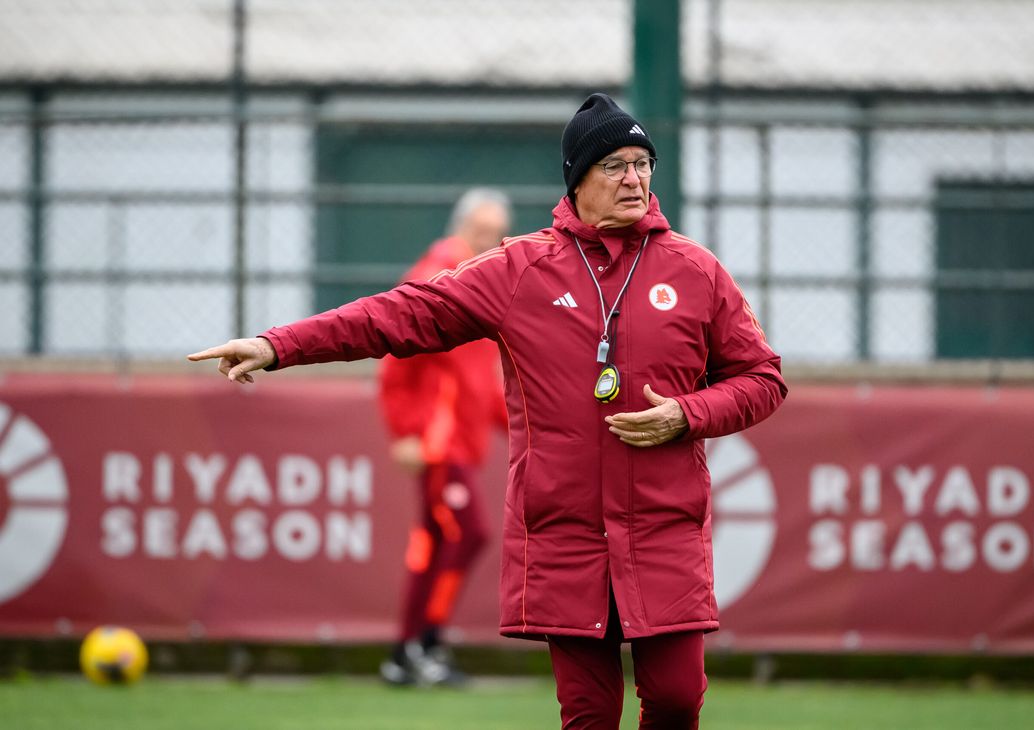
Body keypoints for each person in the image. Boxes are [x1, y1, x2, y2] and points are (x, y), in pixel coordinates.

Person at [190, 92, 787, 729]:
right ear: (577, 178)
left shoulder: (696, 270)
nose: (634, 179)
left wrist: (688, 414)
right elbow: (400, 314)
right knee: (589, 713)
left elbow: (763, 379)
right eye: (614, 165)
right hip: (565, 533)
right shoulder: (520, 268)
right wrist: (277, 345)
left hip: (664, 528)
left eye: (643, 163)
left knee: (675, 698)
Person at [377, 189, 510, 686]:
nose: (488, 239)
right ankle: (424, 644)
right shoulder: (438, 276)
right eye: (480, 229)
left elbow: (483, 381)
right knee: (467, 532)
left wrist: (525, 427)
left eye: (495, 231)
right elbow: (396, 357)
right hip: (438, 443)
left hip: (459, 442)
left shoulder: (482, 282)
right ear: (461, 227)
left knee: (433, 545)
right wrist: (404, 432)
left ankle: (407, 653)